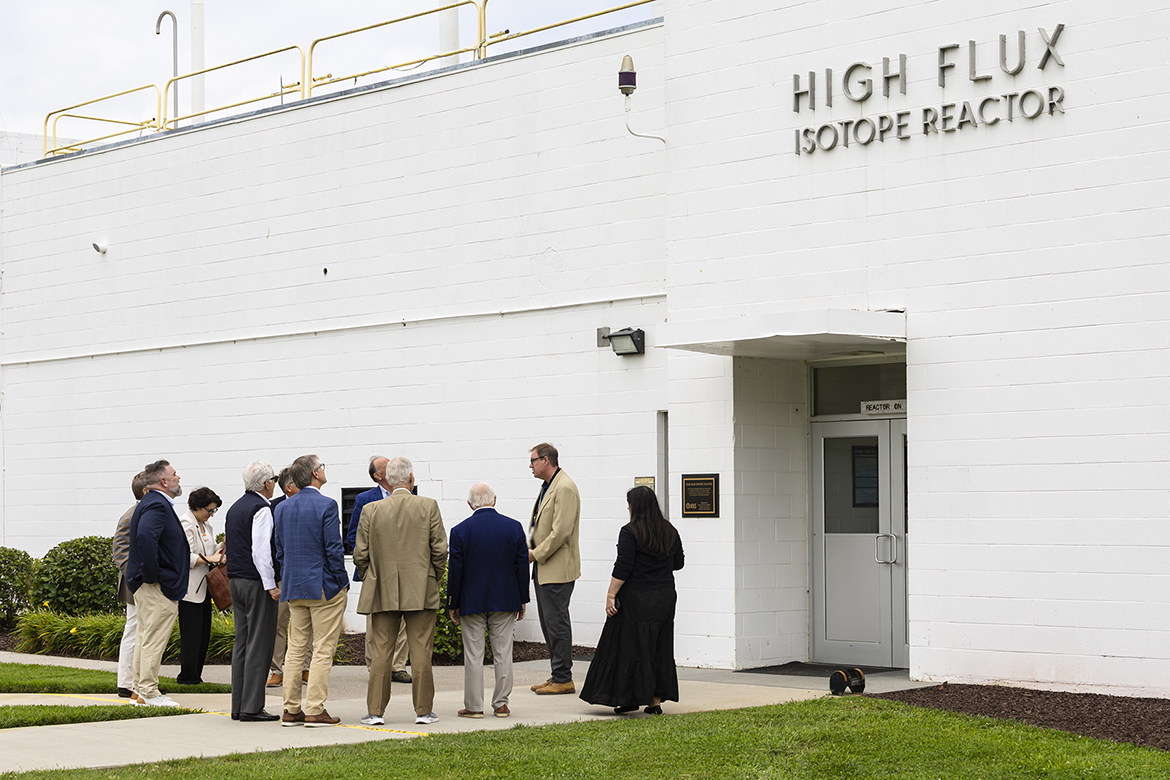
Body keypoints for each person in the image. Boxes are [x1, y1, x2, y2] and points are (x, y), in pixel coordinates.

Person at [353, 456, 447, 726]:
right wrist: (433, 578)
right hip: (421, 589)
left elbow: (360, 553)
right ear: (411, 478)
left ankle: (375, 712)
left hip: (381, 589)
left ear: (389, 480)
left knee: (381, 653)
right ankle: (423, 711)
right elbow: (440, 549)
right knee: (420, 653)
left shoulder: (371, 509)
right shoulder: (428, 506)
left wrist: (371, 576)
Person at [580, 486, 684, 715]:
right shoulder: (670, 530)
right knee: (659, 645)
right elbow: (678, 563)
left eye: (628, 503)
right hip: (664, 596)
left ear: (635, 506)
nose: (627, 507)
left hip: (636, 596)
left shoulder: (629, 531)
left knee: (628, 645)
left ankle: (628, 698)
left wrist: (610, 595)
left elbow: (623, 566)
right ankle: (655, 702)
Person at [274, 455, 350, 727]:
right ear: (315, 473)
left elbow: (280, 551)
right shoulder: (327, 505)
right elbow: (333, 549)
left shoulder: (282, 508)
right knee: (322, 648)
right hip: (323, 586)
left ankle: (291, 709)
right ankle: (315, 709)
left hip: (294, 586)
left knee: (295, 649)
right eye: (322, 467)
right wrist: (342, 581)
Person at [447, 482, 529, 718]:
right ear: (495, 500)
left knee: (473, 654)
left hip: (471, 601)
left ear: (470, 504)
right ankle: (501, 703)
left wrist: (453, 602)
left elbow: (456, 571)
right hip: (505, 598)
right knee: (503, 652)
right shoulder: (513, 527)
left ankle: (474, 706)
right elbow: (521, 566)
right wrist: (522, 598)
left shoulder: (460, 531)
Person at [127, 459, 189, 707]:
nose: (178, 478)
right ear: (164, 481)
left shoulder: (151, 503)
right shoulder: (157, 505)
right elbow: (145, 537)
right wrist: (154, 575)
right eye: (174, 474)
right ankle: (149, 692)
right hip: (156, 586)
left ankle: (139, 690)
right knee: (152, 638)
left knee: (145, 636)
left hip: (150, 584)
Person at [346, 455, 411, 684]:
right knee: (376, 621)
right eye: (386, 466)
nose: (393, 466)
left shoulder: (409, 496)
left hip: (405, 570)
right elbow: (353, 535)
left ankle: (398, 666)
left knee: (403, 619)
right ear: (378, 475)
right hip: (376, 569)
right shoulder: (365, 499)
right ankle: (376, 666)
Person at [224, 461, 281, 722]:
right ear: (266, 483)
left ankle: (239, 705)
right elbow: (261, 551)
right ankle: (252, 707)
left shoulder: (236, 507)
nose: (275, 484)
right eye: (274, 479)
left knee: (243, 643)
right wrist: (271, 584)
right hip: (256, 582)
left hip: (235, 580)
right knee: (260, 643)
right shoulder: (262, 508)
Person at [526, 442, 581, 695]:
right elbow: (540, 525)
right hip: (544, 568)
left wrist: (535, 554)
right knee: (549, 624)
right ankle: (557, 674)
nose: (531, 465)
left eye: (533, 460)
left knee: (557, 623)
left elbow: (560, 532)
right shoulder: (548, 486)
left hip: (556, 569)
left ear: (546, 460)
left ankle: (563, 679)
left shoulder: (565, 487)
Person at [176, 487, 224, 685]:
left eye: (214, 511)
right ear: (197, 507)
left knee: (203, 634)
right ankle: (187, 676)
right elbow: (183, 557)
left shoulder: (205, 525)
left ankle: (196, 674)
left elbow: (210, 549)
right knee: (191, 634)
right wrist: (211, 558)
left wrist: (221, 547)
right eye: (209, 510)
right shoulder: (186, 523)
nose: (211, 515)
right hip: (190, 589)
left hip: (204, 589)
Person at [268, 467, 311, 688]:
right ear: (288, 486)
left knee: (306, 624)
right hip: (282, 576)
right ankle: (276, 670)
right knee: (278, 624)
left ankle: (305, 668)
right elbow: (270, 544)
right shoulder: (273, 507)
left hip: (307, 575)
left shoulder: (312, 503)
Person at [111, 471, 149, 698]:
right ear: (146, 491)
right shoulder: (131, 516)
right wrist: (138, 579)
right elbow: (120, 552)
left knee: (140, 631)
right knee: (134, 631)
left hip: (141, 583)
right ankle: (126, 683)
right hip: (136, 585)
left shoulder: (142, 513)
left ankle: (135, 681)